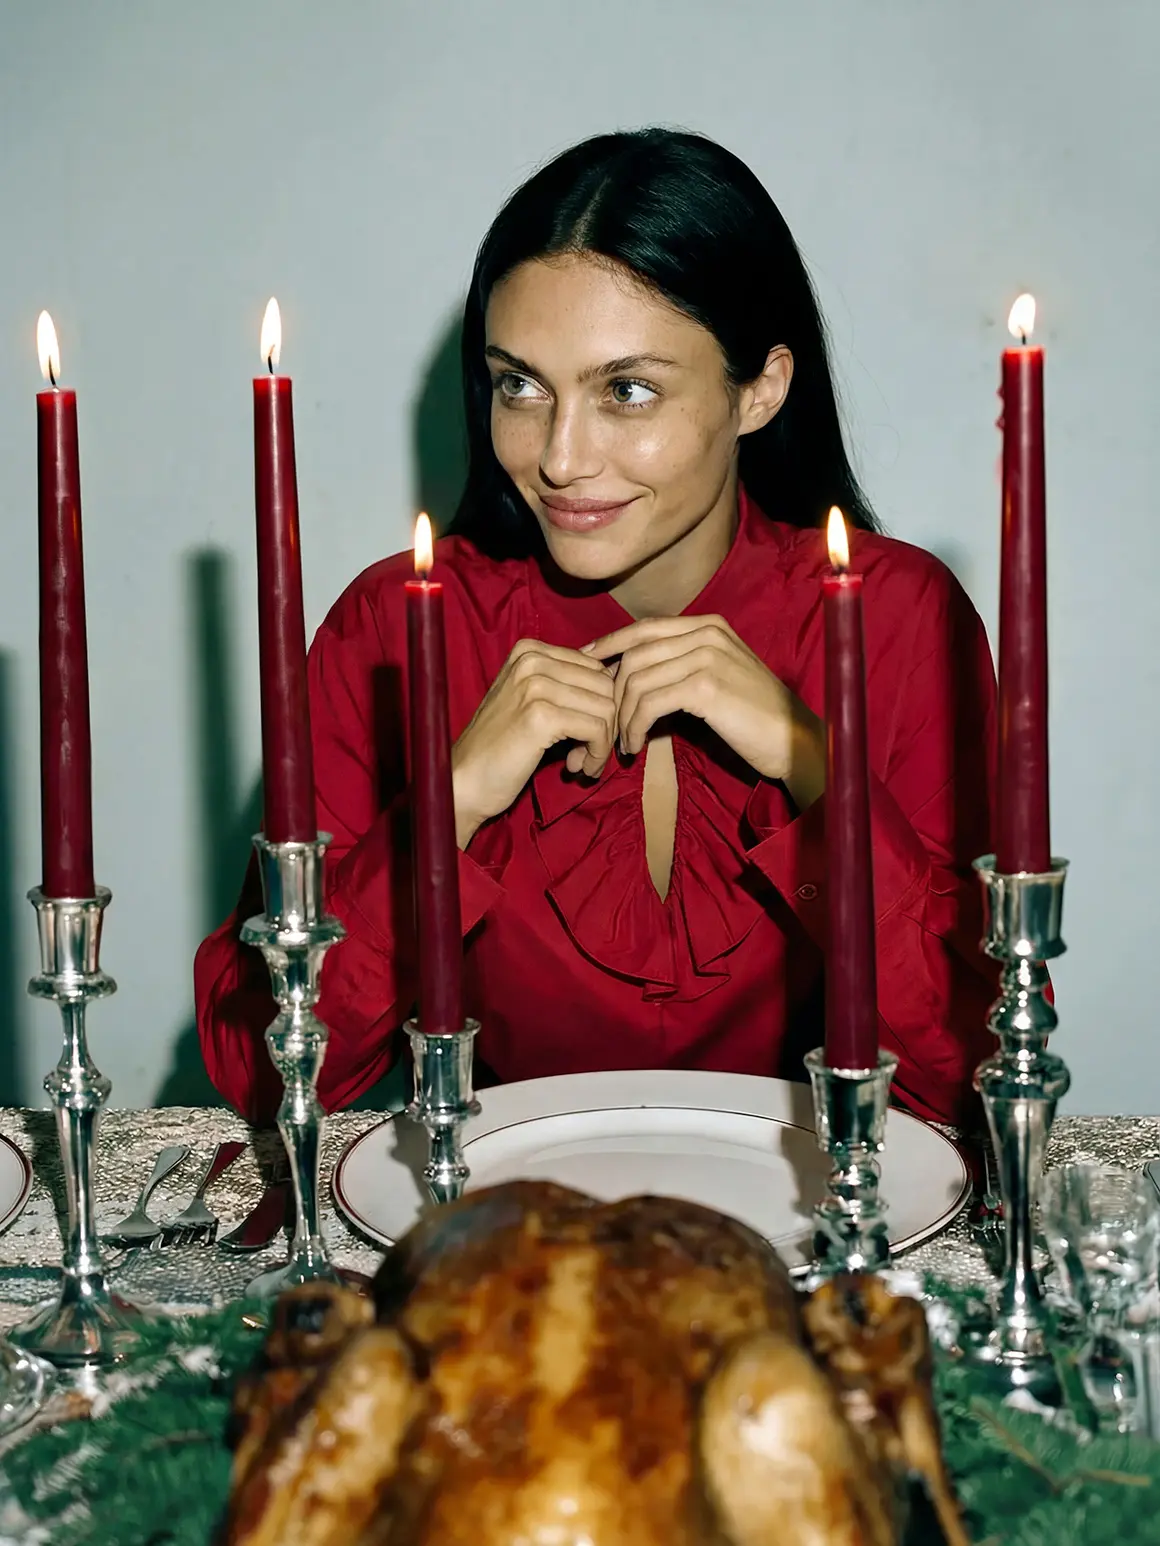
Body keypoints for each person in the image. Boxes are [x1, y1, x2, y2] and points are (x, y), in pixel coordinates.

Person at [195, 127, 997, 1129]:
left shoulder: (894, 619)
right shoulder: (395, 631)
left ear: (760, 389)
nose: (560, 459)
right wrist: (448, 805)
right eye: (519, 385)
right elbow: (260, 1067)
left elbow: (980, 1068)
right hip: (505, 1243)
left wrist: (813, 766)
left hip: (812, 1235)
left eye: (626, 391)